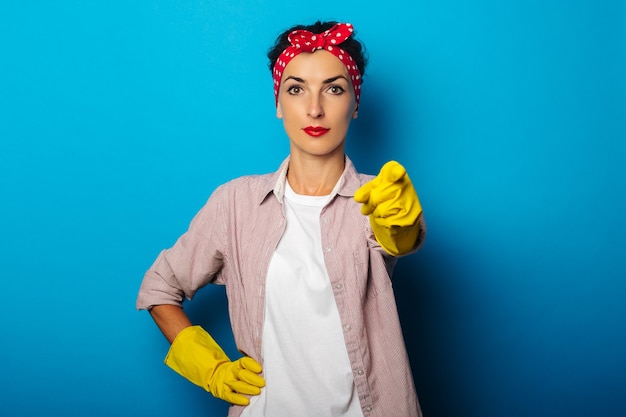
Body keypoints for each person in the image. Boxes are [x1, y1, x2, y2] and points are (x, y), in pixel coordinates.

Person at [136, 21, 426, 417]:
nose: (314, 108)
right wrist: (209, 367)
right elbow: (158, 288)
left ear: (355, 104)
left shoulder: (376, 197)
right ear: (278, 103)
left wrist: (402, 223)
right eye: (296, 88)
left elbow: (399, 238)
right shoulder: (234, 203)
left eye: (334, 88)